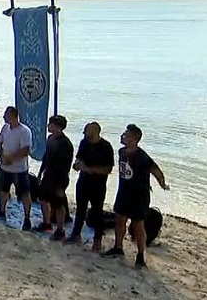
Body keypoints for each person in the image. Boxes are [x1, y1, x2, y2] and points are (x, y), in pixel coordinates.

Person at [103, 124, 169, 268]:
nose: (122, 136)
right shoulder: (121, 151)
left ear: (134, 138)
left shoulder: (141, 156)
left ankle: (140, 256)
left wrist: (163, 184)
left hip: (139, 195)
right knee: (120, 220)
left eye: (126, 134)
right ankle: (118, 247)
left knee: (138, 225)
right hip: (123, 192)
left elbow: (156, 170)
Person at [66, 122, 115, 251]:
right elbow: (79, 158)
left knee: (97, 211)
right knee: (80, 209)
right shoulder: (84, 143)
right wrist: (77, 165)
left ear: (95, 132)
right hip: (83, 181)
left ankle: (97, 240)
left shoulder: (106, 146)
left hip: (98, 184)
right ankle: (76, 234)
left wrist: (89, 169)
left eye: (86, 130)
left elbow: (108, 169)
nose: (84, 133)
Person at [37, 115, 75, 240]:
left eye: (51, 124)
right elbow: (46, 157)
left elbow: (65, 165)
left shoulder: (65, 143)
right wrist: (40, 172)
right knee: (43, 199)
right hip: (48, 175)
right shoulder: (50, 139)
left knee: (58, 204)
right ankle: (47, 223)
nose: (48, 126)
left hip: (59, 177)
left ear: (58, 127)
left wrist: (60, 182)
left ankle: (60, 229)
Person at [0, 106, 34, 230]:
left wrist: (10, 159)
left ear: (13, 116)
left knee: (24, 193)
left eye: (6, 115)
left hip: (19, 169)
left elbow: (25, 150)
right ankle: (1, 211)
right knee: (3, 190)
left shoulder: (24, 131)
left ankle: (27, 218)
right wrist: (2, 156)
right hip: (5, 167)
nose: (4, 117)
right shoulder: (5, 128)